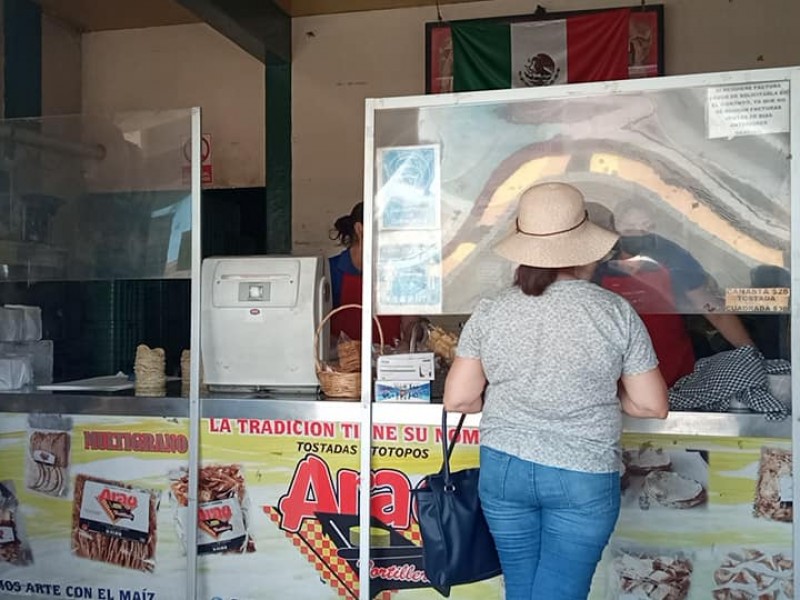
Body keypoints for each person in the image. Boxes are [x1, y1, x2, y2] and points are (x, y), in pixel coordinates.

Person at [443, 182, 668, 600]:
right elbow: (651, 404)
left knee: (522, 590)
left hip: (504, 469)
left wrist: (513, 388)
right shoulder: (613, 311)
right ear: (586, 247)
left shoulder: (492, 310)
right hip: (582, 471)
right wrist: (601, 389)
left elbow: (459, 399)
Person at [594, 200, 754, 386]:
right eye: (629, 229)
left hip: (677, 373)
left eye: (645, 227)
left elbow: (713, 310)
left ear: (655, 228)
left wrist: (750, 353)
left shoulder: (674, 260)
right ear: (614, 228)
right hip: (620, 378)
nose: (637, 233)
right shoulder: (600, 271)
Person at [328, 202, 417, 344]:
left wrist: (410, 339)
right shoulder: (331, 271)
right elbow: (318, 330)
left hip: (388, 362)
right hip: (342, 363)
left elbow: (410, 323)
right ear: (360, 229)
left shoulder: (400, 272)